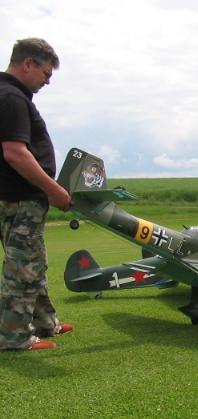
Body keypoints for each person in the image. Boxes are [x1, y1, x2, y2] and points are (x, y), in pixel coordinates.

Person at [0, 38, 73, 351]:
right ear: (27, 63)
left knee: (34, 262)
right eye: (45, 72)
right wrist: (54, 190)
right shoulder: (12, 97)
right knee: (23, 268)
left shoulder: (10, 95)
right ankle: (13, 336)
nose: (47, 80)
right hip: (20, 199)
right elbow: (15, 153)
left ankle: (45, 323)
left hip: (18, 199)